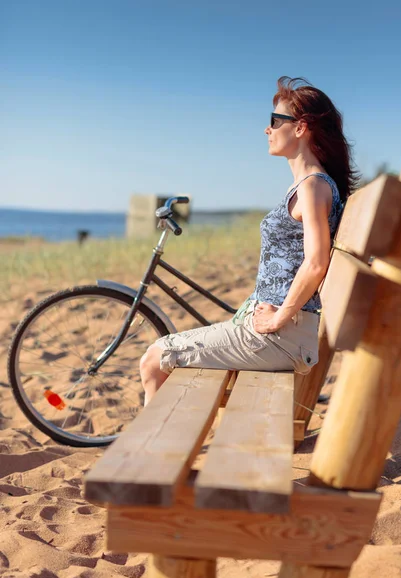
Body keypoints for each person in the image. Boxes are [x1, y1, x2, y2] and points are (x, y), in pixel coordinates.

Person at [140, 76, 359, 405]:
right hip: (281, 331)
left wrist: (278, 317)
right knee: (166, 359)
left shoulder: (313, 187)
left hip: (282, 337)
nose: (267, 130)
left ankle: (153, 454)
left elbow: (316, 262)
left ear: (301, 128)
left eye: (275, 121)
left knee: (154, 360)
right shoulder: (308, 185)